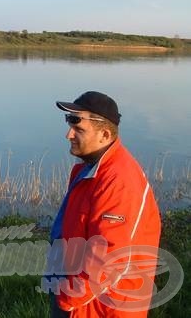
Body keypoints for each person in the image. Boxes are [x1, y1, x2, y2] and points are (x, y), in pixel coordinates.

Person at [49, 91, 161, 317]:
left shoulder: (119, 181)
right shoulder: (87, 169)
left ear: (105, 134)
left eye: (79, 129)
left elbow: (109, 259)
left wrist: (68, 298)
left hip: (101, 307)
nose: (68, 135)